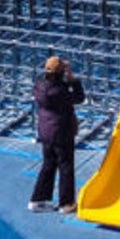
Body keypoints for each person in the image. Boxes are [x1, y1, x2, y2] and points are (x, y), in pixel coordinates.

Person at [29, 55, 85, 214]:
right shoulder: (58, 91)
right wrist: (72, 79)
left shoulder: (40, 84)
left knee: (48, 164)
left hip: (46, 130)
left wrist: (63, 75)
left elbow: (51, 80)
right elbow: (79, 97)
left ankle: (37, 199)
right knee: (66, 166)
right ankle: (66, 203)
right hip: (61, 131)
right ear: (60, 73)